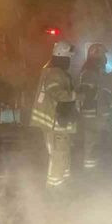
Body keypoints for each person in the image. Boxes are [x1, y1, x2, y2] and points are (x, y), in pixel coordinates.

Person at [30, 41, 77, 191]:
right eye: (69, 57)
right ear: (62, 56)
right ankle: (54, 188)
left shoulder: (52, 71)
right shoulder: (55, 72)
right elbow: (57, 93)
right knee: (58, 154)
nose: (70, 60)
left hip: (58, 121)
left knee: (62, 152)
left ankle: (61, 182)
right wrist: (78, 95)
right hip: (55, 122)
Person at [77, 43, 110, 171]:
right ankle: (90, 172)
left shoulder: (95, 70)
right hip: (91, 113)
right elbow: (88, 93)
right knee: (91, 142)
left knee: (94, 142)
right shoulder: (90, 71)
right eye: (103, 54)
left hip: (96, 112)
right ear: (96, 54)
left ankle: (93, 168)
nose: (105, 58)